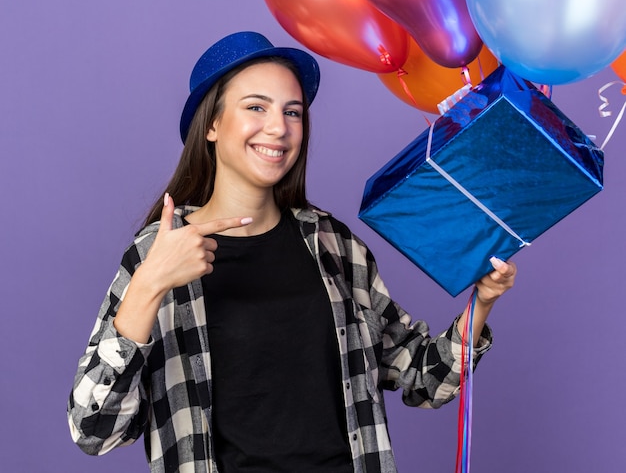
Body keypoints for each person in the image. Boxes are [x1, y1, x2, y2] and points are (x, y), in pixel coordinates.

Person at [67, 31, 516, 473]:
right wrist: (149, 285)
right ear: (211, 124)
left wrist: (484, 301)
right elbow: (94, 430)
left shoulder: (333, 245)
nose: (279, 128)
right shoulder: (160, 250)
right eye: (256, 107)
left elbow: (422, 378)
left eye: (293, 112)